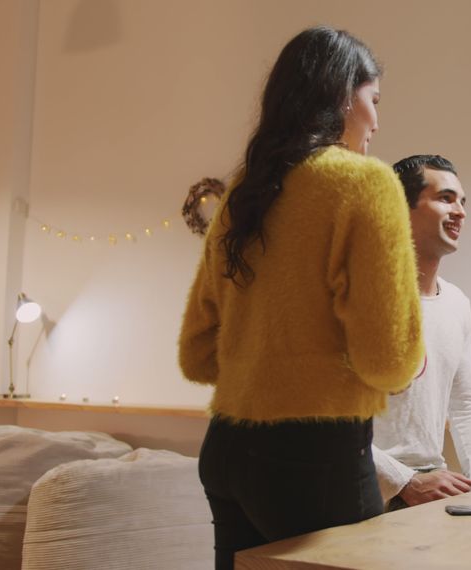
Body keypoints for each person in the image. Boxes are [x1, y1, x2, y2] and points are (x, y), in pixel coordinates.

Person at [178, 27, 423, 569]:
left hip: (226, 451)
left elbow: (196, 354)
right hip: (316, 457)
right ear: (342, 96)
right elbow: (388, 360)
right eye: (373, 101)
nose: (377, 122)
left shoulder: (244, 193)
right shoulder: (364, 183)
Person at [372, 155, 471, 510]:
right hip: (368, 488)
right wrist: (404, 481)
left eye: (462, 201)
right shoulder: (364, 297)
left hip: (432, 486)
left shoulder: (457, 302)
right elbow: (333, 420)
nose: (460, 212)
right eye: (445, 198)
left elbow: (467, 406)